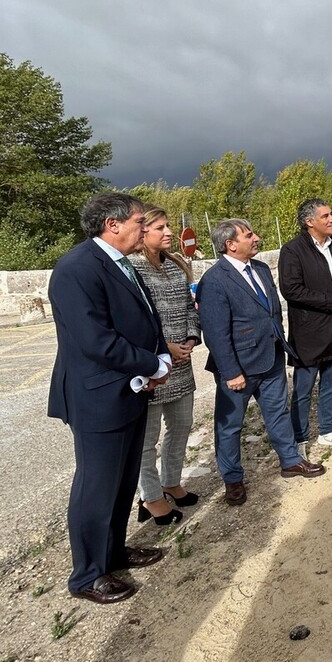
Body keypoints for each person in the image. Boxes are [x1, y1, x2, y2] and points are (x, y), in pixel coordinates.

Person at [48, 192, 172, 604]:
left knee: (120, 483)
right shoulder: (77, 268)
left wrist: (154, 361)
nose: (144, 227)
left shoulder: (118, 263)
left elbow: (141, 321)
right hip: (99, 396)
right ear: (112, 224)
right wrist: (152, 365)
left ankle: (113, 553)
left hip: (128, 389)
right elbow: (95, 340)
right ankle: (87, 575)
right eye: (139, 221)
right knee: (97, 486)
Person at [197, 218, 325, 507]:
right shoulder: (214, 280)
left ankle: (291, 461)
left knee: (278, 412)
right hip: (238, 368)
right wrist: (231, 372)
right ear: (231, 244)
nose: (256, 237)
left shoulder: (262, 269)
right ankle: (232, 480)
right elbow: (215, 333)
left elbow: (271, 313)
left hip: (271, 358)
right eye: (248, 234)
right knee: (230, 426)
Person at [128, 205, 201, 525]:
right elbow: (130, 320)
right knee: (147, 440)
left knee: (182, 426)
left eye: (169, 226)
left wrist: (190, 337)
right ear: (143, 232)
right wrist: (164, 348)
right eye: (160, 227)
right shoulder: (131, 269)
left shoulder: (176, 266)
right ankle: (152, 497)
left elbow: (190, 306)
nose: (169, 232)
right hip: (151, 367)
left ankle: (172, 481)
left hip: (181, 365)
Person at [278, 199, 332, 458]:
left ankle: (328, 431)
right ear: (309, 222)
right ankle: (300, 439)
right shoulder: (293, 251)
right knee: (303, 390)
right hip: (309, 333)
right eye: (325, 215)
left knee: (331, 384)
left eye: (331, 213)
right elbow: (291, 290)